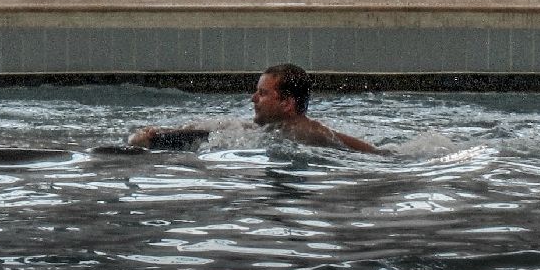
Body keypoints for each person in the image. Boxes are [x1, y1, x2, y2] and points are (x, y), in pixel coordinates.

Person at [128, 64, 381, 154]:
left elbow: (354, 148)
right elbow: (215, 133)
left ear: (287, 102)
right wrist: (164, 135)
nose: (253, 99)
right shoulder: (274, 128)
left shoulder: (307, 131)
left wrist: (387, 157)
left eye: (262, 93)